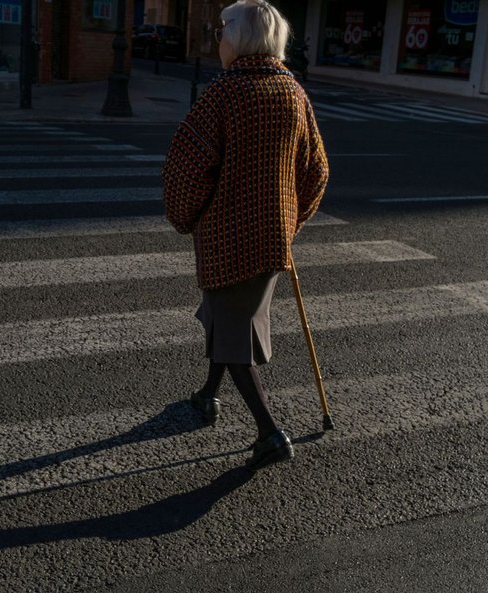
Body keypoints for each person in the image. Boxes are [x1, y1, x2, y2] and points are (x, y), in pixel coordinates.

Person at [162, 0, 329, 470]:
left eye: (222, 31)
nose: (218, 40)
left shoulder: (224, 94)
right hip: (272, 238)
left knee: (233, 333)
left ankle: (270, 432)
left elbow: (186, 167)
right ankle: (207, 396)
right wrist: (290, 220)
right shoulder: (293, 92)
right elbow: (317, 170)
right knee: (228, 318)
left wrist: (183, 216)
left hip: (226, 238)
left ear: (238, 39)